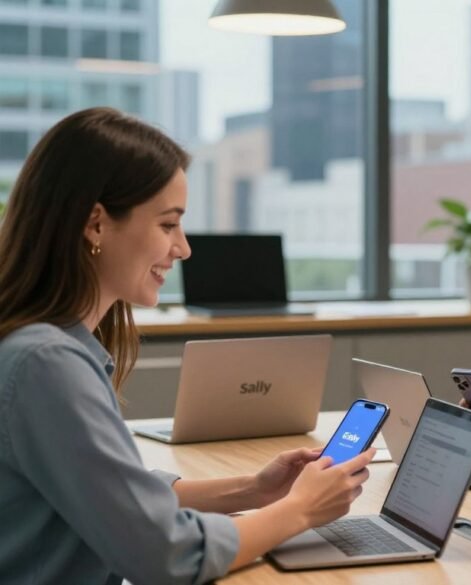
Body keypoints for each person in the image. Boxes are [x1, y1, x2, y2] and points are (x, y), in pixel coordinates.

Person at [0, 108, 373, 584]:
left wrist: (255, 490)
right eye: (167, 224)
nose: (183, 248)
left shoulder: (43, 347)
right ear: (96, 224)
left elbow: (116, 496)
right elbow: (167, 556)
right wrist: (299, 510)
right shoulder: (45, 363)